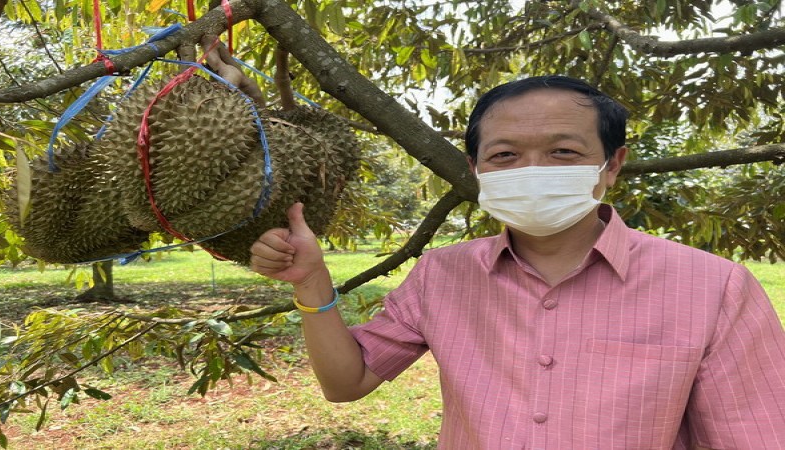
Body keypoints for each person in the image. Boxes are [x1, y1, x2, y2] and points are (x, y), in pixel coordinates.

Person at [250, 75, 785, 449]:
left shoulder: (713, 287)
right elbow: (349, 382)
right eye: (504, 155)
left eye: (563, 153)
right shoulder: (443, 274)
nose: (533, 170)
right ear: (477, 168)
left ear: (612, 165)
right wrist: (313, 281)